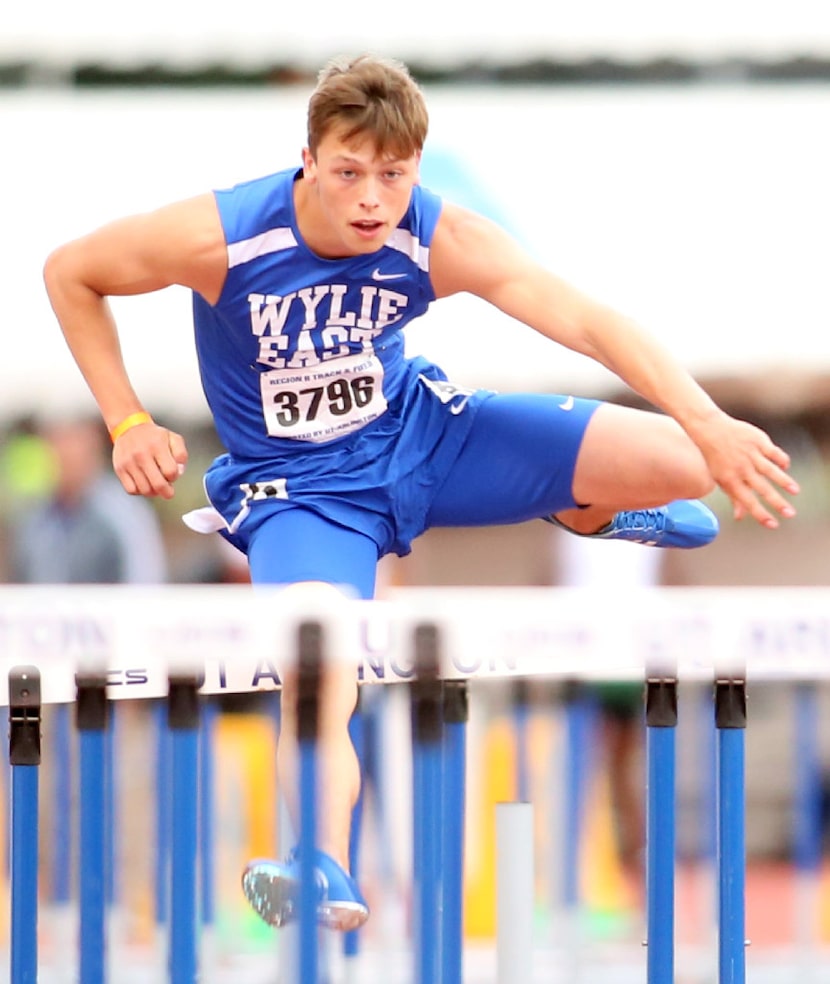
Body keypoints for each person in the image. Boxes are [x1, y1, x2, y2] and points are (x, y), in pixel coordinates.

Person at [42, 54, 799, 932]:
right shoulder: (222, 235)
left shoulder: (435, 236)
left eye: (393, 177)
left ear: (416, 168)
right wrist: (127, 420)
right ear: (309, 159)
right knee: (322, 666)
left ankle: (584, 508)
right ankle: (318, 858)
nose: (370, 200)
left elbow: (587, 319)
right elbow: (71, 271)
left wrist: (709, 421)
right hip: (308, 497)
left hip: (429, 439)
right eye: (348, 173)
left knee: (683, 463)